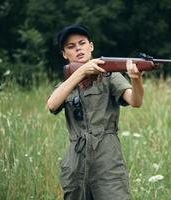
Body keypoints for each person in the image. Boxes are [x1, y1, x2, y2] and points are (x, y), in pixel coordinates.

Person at [47, 24, 144, 200]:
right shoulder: (67, 84)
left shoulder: (110, 76)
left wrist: (136, 80)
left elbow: (136, 101)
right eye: (71, 46)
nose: (78, 48)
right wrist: (81, 72)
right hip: (76, 161)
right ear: (64, 54)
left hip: (107, 157)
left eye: (82, 43)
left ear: (91, 46)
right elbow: (52, 105)